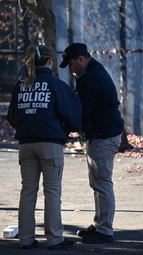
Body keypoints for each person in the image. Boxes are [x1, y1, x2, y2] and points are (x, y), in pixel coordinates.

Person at [7, 44, 82, 250]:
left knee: (28, 191)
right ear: (50, 61)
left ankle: (26, 239)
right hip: (50, 144)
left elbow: (12, 117)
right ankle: (55, 238)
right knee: (52, 192)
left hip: (26, 144)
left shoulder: (21, 84)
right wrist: (65, 130)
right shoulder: (56, 85)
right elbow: (73, 117)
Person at [59, 43, 124, 244]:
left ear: (80, 59)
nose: (70, 69)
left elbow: (82, 111)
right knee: (98, 181)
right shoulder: (93, 71)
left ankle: (104, 230)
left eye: (71, 64)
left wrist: (62, 130)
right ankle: (99, 225)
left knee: (102, 183)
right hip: (101, 135)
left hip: (103, 136)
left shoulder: (91, 77)